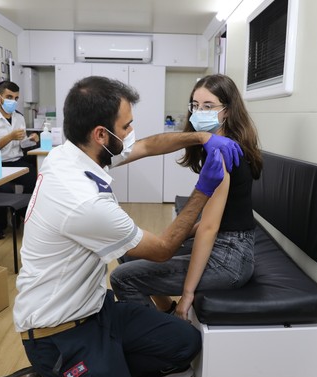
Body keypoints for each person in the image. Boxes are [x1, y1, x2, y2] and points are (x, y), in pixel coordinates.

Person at [9, 76, 243, 377]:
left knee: (186, 341)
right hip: (59, 333)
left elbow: (147, 146)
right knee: (128, 268)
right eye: (127, 127)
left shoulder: (71, 154)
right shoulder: (84, 201)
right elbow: (162, 249)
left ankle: (110, 361)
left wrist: (201, 137)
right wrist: (202, 190)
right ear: (101, 134)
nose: (132, 134)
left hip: (96, 310)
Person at [110, 74, 263, 321]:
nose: (199, 111)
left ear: (228, 111)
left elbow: (210, 228)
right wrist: (165, 242)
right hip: (230, 243)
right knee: (131, 251)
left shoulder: (222, 153)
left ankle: (163, 343)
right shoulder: (217, 144)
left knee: (123, 277)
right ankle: (166, 315)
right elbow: (221, 217)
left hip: (230, 259)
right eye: (195, 105)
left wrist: (187, 294)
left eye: (209, 106)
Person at [0, 80, 39, 239]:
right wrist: (10, 136)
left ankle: (25, 215)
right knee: (4, 191)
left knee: (36, 181)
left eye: (16, 98)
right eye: (9, 97)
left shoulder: (19, 117)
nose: (13, 101)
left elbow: (21, 143)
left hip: (16, 161)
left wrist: (30, 140)